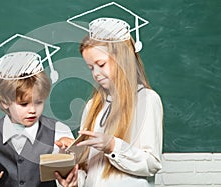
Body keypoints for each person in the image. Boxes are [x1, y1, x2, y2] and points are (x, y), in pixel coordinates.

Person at [55, 23, 163, 187]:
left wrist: (113, 146)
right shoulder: (92, 107)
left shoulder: (147, 100)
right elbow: (89, 169)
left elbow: (152, 163)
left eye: (101, 64)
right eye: (91, 68)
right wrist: (76, 181)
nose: (96, 74)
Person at [0, 51, 74, 187]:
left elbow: (71, 178)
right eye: (24, 104)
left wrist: (68, 153)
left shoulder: (59, 132)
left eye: (38, 102)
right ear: (4, 103)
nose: (32, 110)